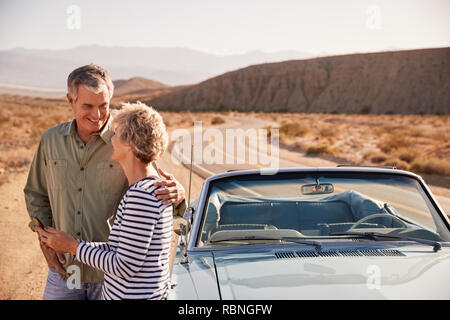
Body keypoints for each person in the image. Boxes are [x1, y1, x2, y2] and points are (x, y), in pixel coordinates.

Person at [24, 64, 185, 300]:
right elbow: (36, 195)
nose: (97, 115)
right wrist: (47, 243)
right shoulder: (50, 140)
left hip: (110, 276)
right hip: (67, 269)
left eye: (104, 106)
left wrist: (178, 194)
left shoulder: (126, 137)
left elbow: (153, 181)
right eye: (87, 106)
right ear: (71, 100)